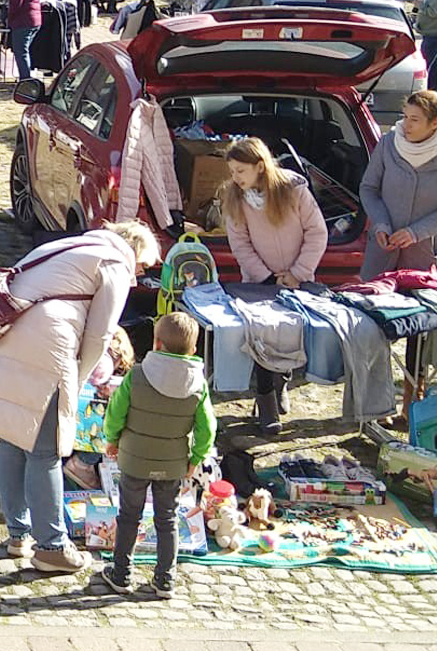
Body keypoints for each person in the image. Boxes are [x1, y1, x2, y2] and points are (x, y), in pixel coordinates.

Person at [0, 221, 161, 575]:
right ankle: (52, 546)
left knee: (12, 437)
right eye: (142, 268)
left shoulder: (66, 247)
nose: (138, 277)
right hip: (44, 346)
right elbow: (100, 334)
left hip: (4, 336)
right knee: (45, 450)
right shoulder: (115, 263)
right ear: (135, 251)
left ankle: (19, 534)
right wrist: (77, 383)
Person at [361, 89, 437, 418]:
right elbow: (369, 188)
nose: (405, 125)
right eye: (404, 117)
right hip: (382, 250)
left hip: (424, 257)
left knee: (419, 333)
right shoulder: (388, 144)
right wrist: (380, 223)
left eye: (414, 120)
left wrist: (416, 232)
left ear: (436, 123)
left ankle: (412, 403)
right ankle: (371, 405)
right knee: (372, 327)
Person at [100, 311, 215, 599]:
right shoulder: (198, 385)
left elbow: (116, 412)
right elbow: (207, 428)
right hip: (173, 463)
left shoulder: (137, 375)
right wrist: (195, 458)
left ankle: (121, 573)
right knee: (167, 519)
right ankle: (165, 578)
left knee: (129, 516)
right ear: (193, 349)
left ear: (157, 343)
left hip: (134, 459)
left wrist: (112, 439)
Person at [219, 136, 329, 431]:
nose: (235, 178)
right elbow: (240, 244)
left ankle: (281, 382)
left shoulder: (294, 191)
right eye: (232, 172)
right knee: (261, 338)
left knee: (291, 337)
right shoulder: (235, 198)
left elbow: (317, 233)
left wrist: (297, 273)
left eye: (240, 171)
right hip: (259, 282)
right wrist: (266, 277)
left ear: (259, 166)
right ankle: (266, 401)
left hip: (297, 279)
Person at [5, 0, 43, 83]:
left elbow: (16, 2)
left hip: (24, 20)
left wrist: (9, 17)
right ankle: (26, 76)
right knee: (24, 50)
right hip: (35, 19)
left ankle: (25, 80)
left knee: (20, 51)